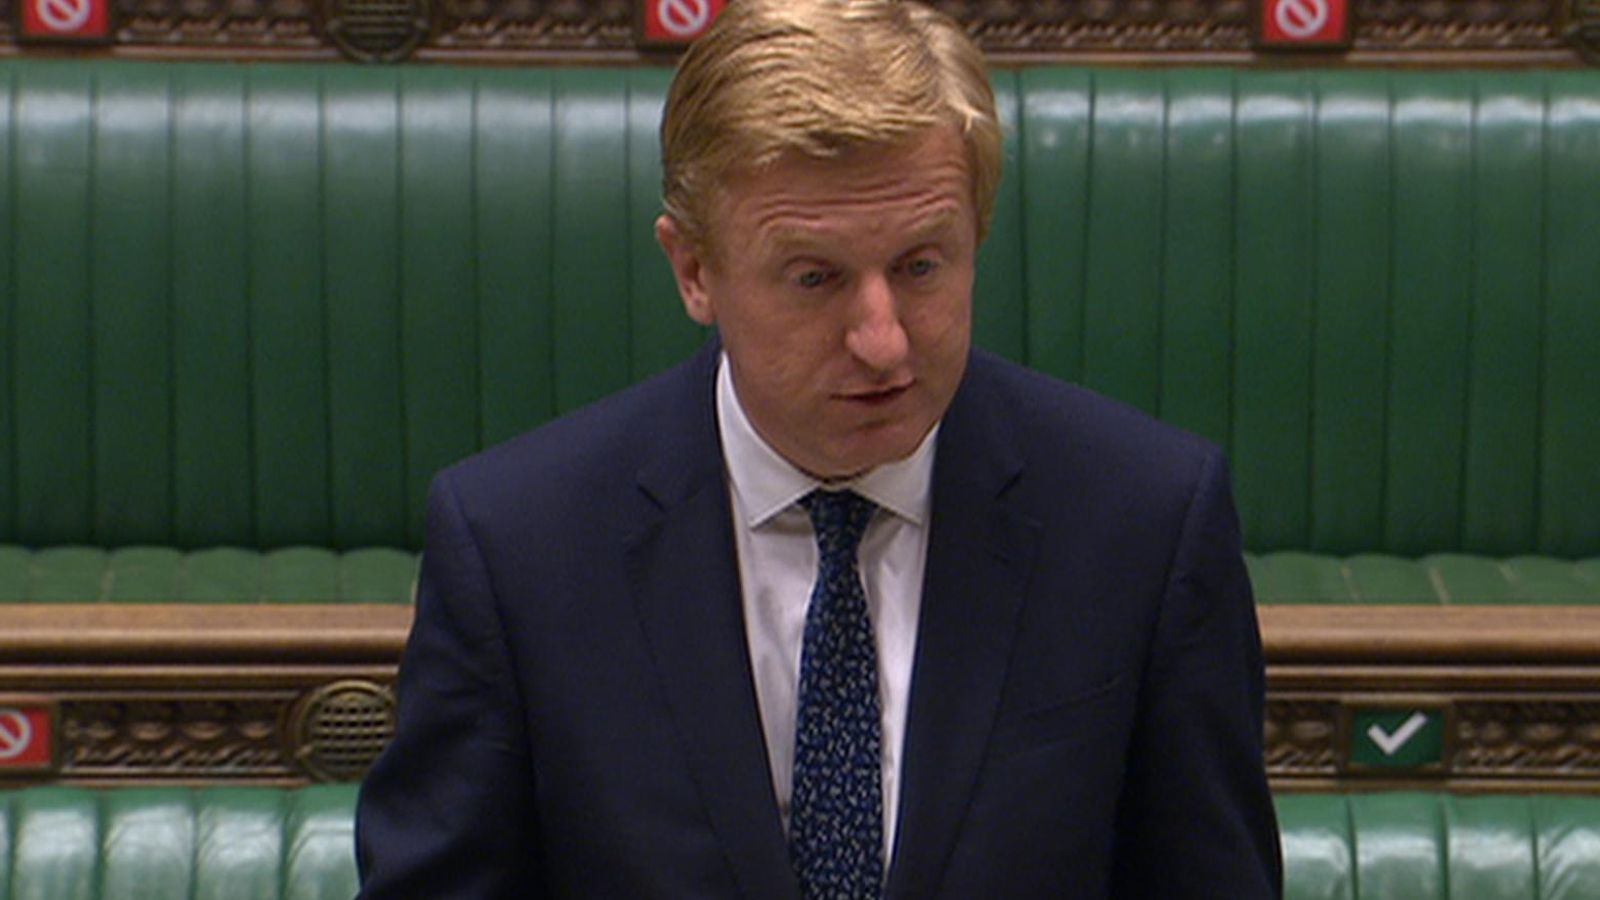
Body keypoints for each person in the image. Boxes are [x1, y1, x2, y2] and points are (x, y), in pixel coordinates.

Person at [354, 0, 1282, 896]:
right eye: (815, 278)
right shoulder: (519, 549)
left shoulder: (1146, 522)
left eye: (921, 266)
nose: (882, 340)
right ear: (694, 269)